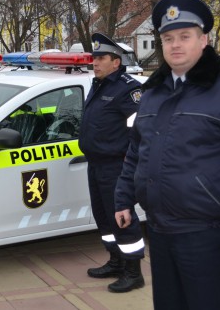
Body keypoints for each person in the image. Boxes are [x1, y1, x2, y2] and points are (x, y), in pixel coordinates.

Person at [114, 0, 220, 310]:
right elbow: (136, 150)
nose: (175, 45)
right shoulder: (152, 94)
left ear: (204, 40)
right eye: (168, 38)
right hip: (159, 228)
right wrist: (123, 198)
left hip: (206, 231)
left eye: (185, 36)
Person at [78, 33, 145, 293]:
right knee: (103, 217)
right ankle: (116, 260)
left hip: (116, 166)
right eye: (94, 57)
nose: (95, 62)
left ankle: (133, 272)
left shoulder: (129, 89)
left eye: (101, 58)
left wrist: (130, 160)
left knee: (122, 218)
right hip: (96, 164)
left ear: (116, 62)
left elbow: (141, 130)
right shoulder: (100, 84)